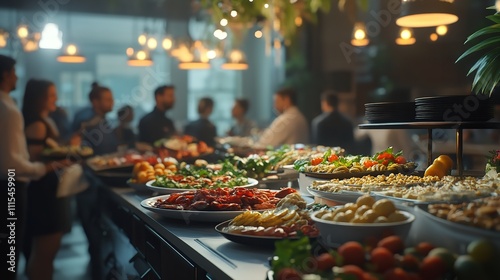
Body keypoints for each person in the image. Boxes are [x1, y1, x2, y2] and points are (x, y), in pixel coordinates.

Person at [0, 55, 63, 280]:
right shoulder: (8, 109)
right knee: (10, 253)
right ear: (6, 75)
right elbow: (9, 163)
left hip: (13, 185)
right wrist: (44, 168)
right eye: (14, 72)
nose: (16, 76)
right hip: (11, 187)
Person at [22, 79, 72, 280]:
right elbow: (35, 164)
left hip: (51, 191)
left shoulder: (46, 120)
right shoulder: (37, 125)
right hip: (43, 195)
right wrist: (65, 162)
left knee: (48, 251)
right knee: (44, 252)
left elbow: (50, 152)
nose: (56, 98)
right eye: (51, 95)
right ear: (39, 98)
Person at [77, 84, 118, 156]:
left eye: (112, 99)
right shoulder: (87, 122)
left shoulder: (104, 120)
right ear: (95, 102)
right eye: (108, 100)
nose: (112, 102)